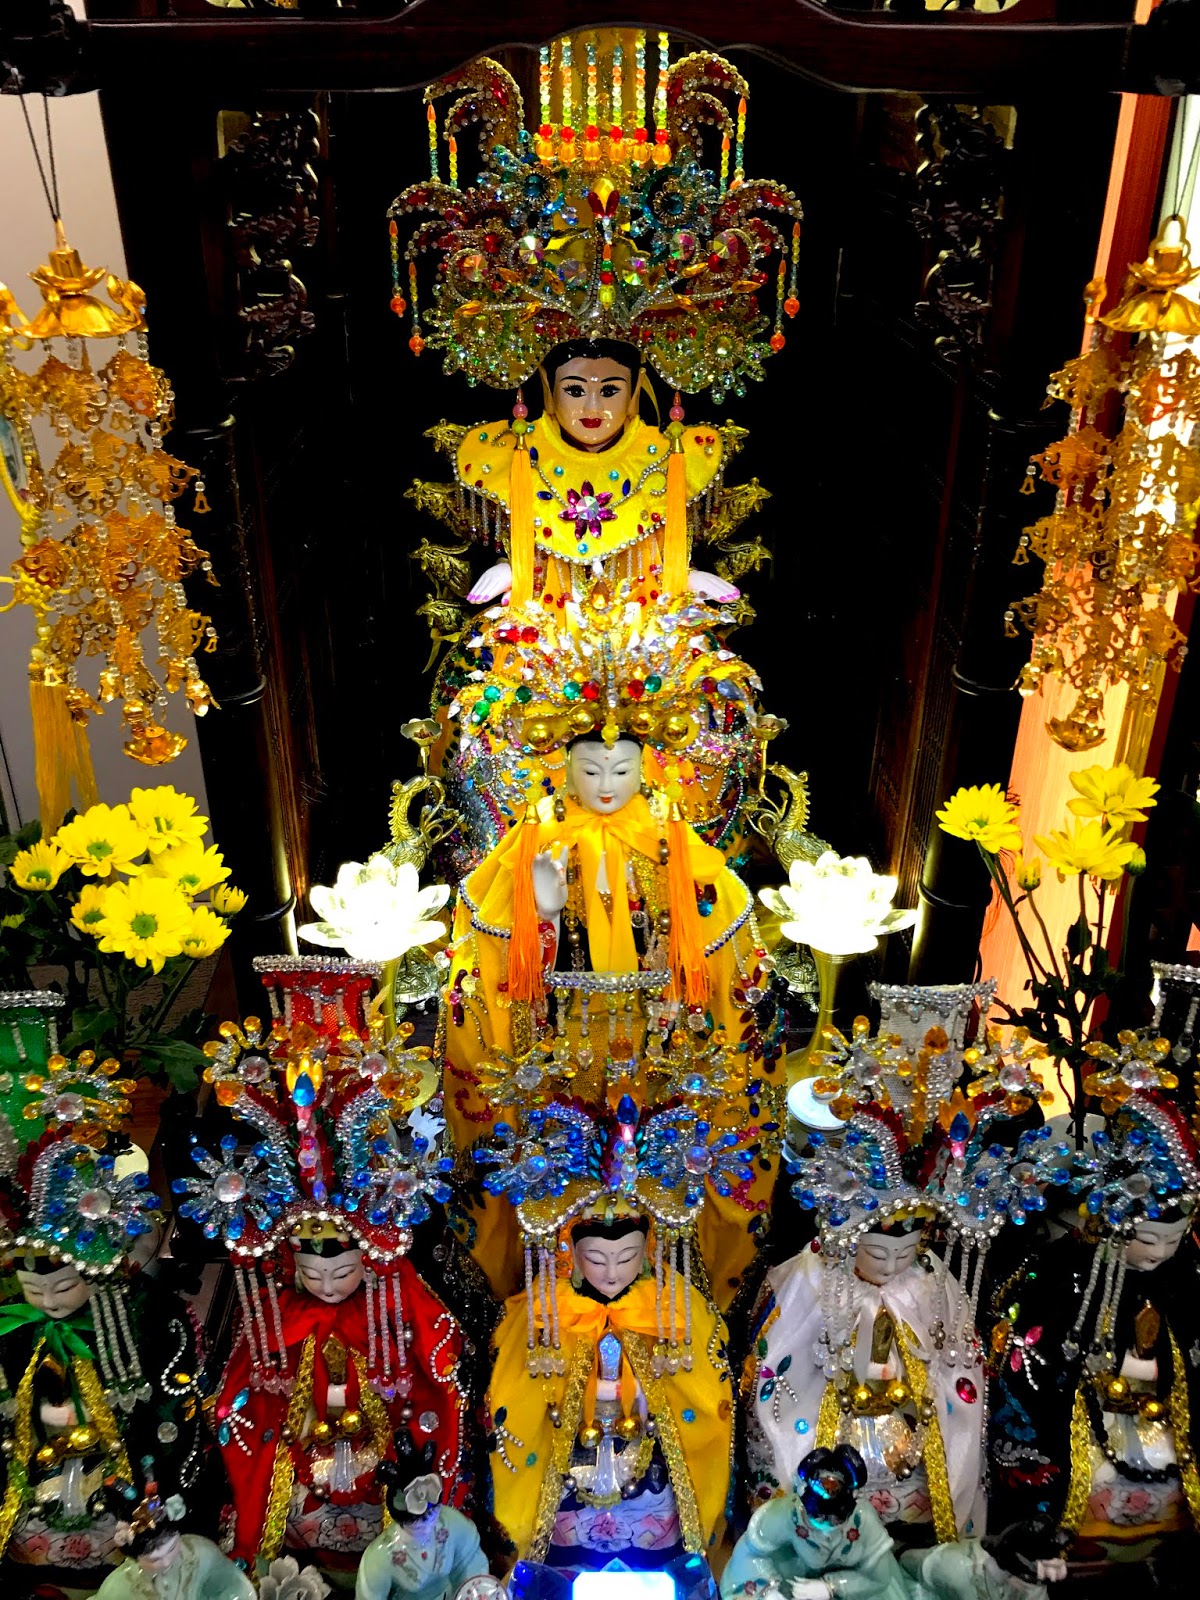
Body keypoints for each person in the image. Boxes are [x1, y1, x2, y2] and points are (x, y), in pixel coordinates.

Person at [987, 1091, 1200, 1587]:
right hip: (1087, 1425)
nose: (1158, 1254)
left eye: (1173, 1241)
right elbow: (1033, 1367)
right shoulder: (1065, 1277)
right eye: (1147, 1240)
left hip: (1164, 1428)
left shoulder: (1182, 1281)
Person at [721, 1444, 913, 1600]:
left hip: (853, 1588)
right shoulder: (787, 1513)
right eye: (817, 1518)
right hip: (792, 1581)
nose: (826, 1527)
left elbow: (878, 1578)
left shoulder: (863, 1521)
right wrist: (769, 1591)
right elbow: (749, 1553)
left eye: (836, 1521)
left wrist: (831, 1587)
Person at [355, 1430, 488, 1600]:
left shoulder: (450, 1523)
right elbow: (370, 1596)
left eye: (432, 1512)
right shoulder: (381, 1556)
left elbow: (470, 1562)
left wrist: (470, 1594)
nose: (427, 1521)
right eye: (416, 1520)